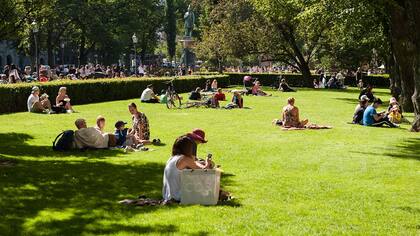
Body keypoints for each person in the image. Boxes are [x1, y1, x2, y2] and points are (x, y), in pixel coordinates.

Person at [162, 135, 212, 203]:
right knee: (204, 184)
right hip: (178, 196)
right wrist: (207, 162)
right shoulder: (185, 159)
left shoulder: (172, 158)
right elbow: (205, 170)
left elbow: (194, 164)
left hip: (167, 195)